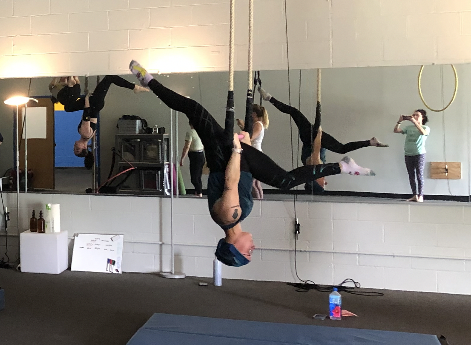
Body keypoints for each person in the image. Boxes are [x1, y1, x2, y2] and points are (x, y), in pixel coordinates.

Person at [130, 60, 374, 266]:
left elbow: (230, 182)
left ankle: (148, 81)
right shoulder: (235, 219)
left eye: (248, 251)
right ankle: (343, 166)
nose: (253, 247)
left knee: (194, 109)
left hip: (225, 158)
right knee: (285, 181)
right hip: (239, 162)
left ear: (235, 247)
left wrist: (237, 150)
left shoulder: (228, 215)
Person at [50, 75, 147, 160]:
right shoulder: (85, 133)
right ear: (84, 147)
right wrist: (87, 99)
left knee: (68, 107)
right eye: (77, 149)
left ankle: (74, 82)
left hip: (96, 105)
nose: (74, 147)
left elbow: (94, 117)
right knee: (110, 78)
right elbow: (87, 113)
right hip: (93, 103)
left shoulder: (89, 136)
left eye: (74, 149)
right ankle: (135, 87)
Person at [395, 109, 429, 202]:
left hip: (419, 154)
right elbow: (396, 130)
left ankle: (421, 196)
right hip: (408, 154)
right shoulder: (409, 128)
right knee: (411, 175)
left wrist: (415, 122)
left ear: (423, 117)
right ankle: (414, 195)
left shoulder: (426, 127)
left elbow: (423, 133)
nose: (414, 116)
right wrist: (399, 121)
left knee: (419, 174)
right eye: (413, 115)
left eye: (417, 115)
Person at [179, 125, 205, 196]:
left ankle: (199, 193)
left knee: (194, 178)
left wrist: (182, 159)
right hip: (201, 155)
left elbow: (187, 146)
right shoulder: (201, 131)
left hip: (195, 156)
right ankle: (198, 192)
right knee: (198, 176)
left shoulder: (190, 133)